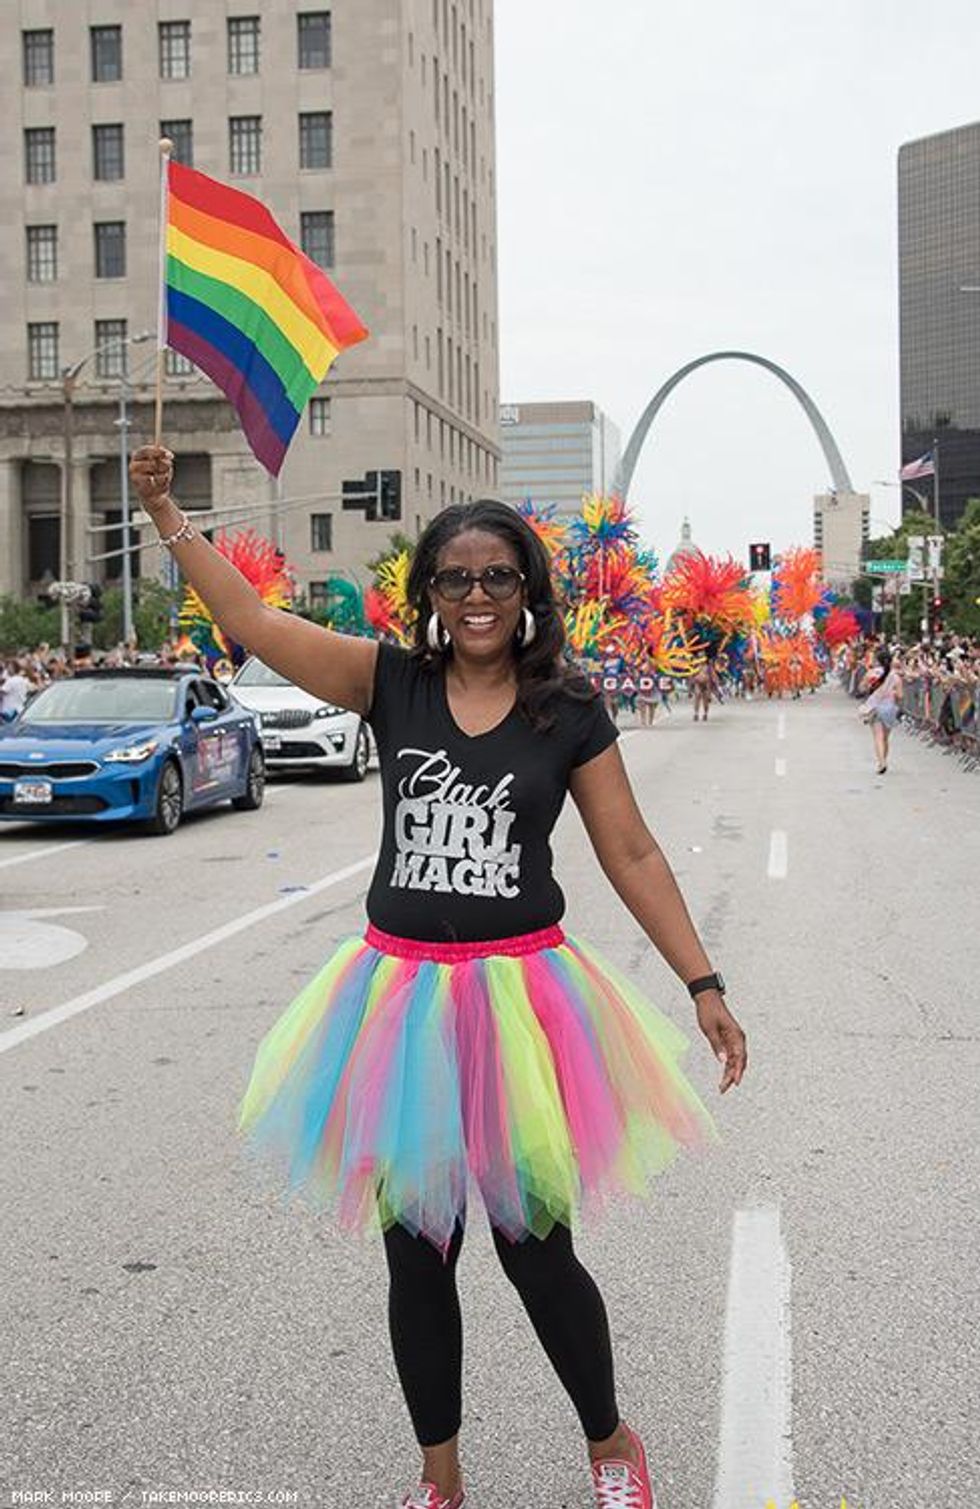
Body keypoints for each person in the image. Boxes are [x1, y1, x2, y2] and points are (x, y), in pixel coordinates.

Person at [130, 444, 748, 1509]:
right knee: (417, 1257)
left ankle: (610, 1446)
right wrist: (163, 513)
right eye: (454, 578)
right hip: (401, 1003)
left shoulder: (566, 707)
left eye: (495, 577)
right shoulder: (391, 683)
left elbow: (631, 852)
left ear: (526, 593)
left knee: (534, 1252)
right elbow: (257, 626)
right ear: (429, 594)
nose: (474, 596)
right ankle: (439, 1478)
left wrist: (702, 984)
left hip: (520, 1001)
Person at [861, 647, 903, 774]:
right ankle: (884, 759)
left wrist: (869, 686)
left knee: (878, 737)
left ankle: (881, 763)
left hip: (875, 707)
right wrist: (893, 694)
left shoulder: (871, 673)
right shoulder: (896, 677)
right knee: (885, 738)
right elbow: (901, 696)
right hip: (889, 708)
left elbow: (862, 688)